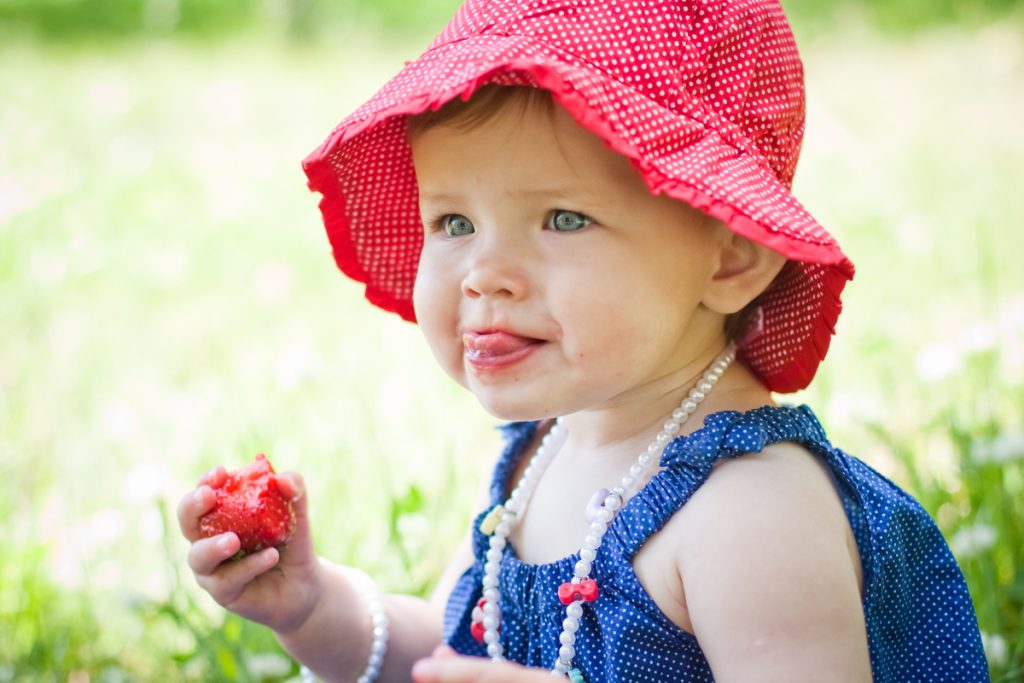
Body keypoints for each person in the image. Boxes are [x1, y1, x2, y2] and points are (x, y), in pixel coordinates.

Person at [178, 0, 990, 680]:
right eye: (454, 221)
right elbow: (453, 657)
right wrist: (317, 605)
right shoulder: (543, 456)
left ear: (733, 252)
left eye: (563, 218)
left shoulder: (751, 509)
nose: (483, 274)